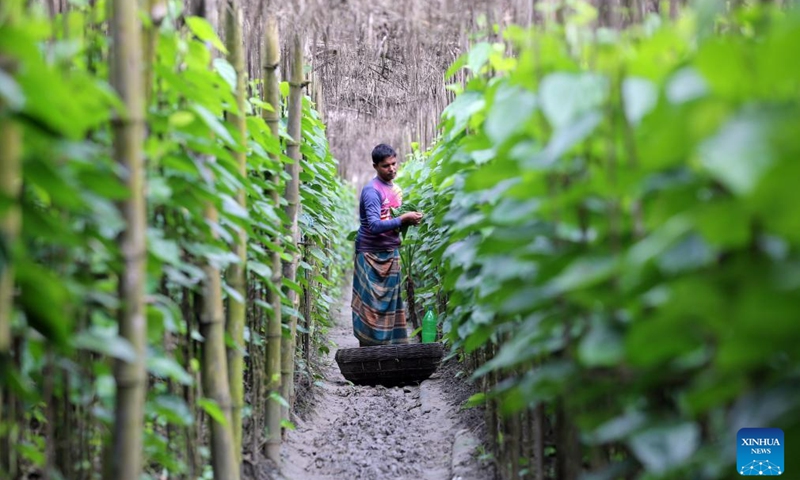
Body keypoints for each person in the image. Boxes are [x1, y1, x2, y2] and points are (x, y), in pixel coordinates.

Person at [351, 144, 423, 347]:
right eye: (385, 166)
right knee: (370, 308)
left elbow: (393, 221)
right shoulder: (372, 192)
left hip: (390, 252)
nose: (391, 169)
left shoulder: (396, 190)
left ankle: (391, 351)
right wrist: (403, 220)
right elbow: (374, 225)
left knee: (391, 305)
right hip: (370, 254)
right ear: (375, 166)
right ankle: (369, 351)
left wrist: (411, 219)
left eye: (393, 164)